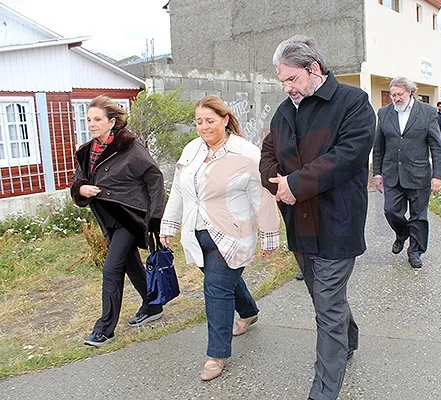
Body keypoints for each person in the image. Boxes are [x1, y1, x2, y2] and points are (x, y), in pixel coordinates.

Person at [259, 35, 375, 400]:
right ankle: (349, 337)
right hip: (299, 224)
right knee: (323, 297)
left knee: (326, 308)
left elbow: (348, 156)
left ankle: (323, 392)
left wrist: (296, 183)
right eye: (282, 81)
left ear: (314, 69)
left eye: (291, 79)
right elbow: (267, 152)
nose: (287, 87)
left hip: (336, 222)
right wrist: (276, 182)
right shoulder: (284, 111)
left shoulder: (353, 103)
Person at [160, 95, 279, 382]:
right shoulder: (191, 150)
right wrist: (169, 225)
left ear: (225, 120)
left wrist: (270, 234)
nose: (203, 126)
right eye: (199, 121)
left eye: (210, 121)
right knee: (224, 282)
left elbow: (261, 193)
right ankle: (249, 311)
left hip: (233, 232)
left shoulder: (245, 153)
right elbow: (178, 189)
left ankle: (217, 355)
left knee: (215, 288)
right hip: (197, 232)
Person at [70, 95, 166, 347]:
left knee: (111, 269)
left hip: (130, 217)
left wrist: (155, 218)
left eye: (97, 119)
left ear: (112, 122)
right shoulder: (86, 151)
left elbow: (155, 179)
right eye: (89, 119)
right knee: (131, 265)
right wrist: (81, 189)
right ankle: (153, 305)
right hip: (107, 219)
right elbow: (78, 179)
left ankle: (104, 329)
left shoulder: (131, 148)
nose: (91, 124)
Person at [372, 76, 441, 269]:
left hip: (419, 174)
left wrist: (438, 175)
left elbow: (436, 147)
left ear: (410, 92)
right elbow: (378, 146)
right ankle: (402, 233)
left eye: (399, 94)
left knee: (419, 216)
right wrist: (377, 174)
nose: (396, 98)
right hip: (392, 174)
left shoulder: (427, 112)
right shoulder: (384, 113)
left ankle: (415, 251)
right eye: (393, 94)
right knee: (390, 211)